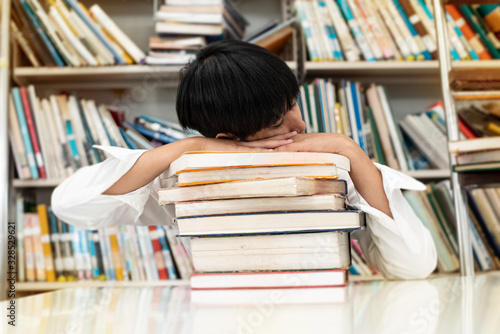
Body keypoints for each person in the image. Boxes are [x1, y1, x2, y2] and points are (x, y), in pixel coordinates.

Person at [52, 41, 437, 280]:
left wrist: (353, 153)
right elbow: (67, 204)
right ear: (226, 139)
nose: (300, 124)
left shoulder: (331, 166)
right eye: (277, 121)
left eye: (292, 105)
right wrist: (187, 149)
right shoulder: (180, 173)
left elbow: (414, 267)